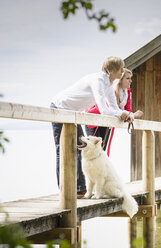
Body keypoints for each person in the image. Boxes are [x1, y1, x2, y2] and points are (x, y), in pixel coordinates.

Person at [50, 56, 132, 198]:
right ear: (113, 70)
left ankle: (80, 189)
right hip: (59, 107)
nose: (123, 71)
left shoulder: (108, 85)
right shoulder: (98, 81)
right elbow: (104, 110)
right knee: (62, 150)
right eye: (121, 68)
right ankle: (66, 190)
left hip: (72, 113)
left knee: (80, 146)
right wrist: (123, 113)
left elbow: (114, 107)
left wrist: (128, 114)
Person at [85, 68, 143, 156]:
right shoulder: (112, 90)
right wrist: (133, 115)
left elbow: (127, 111)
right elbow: (111, 109)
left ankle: (102, 169)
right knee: (94, 150)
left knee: (103, 149)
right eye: (127, 78)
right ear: (120, 80)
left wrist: (131, 114)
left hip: (109, 121)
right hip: (95, 119)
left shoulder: (126, 92)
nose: (130, 81)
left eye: (131, 78)